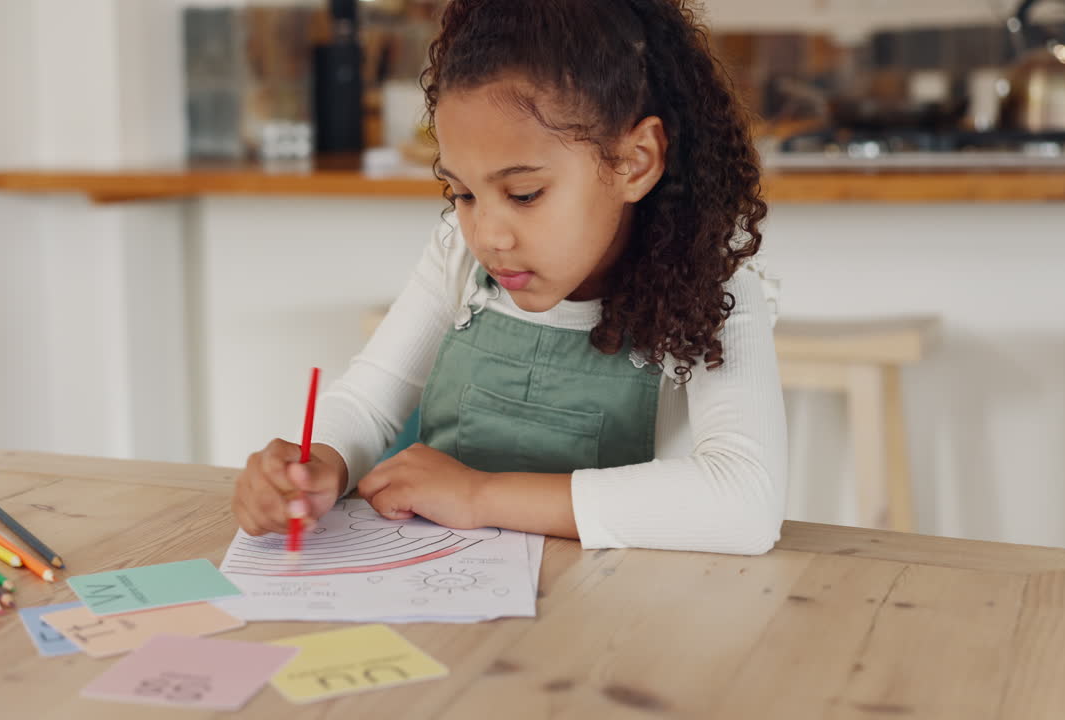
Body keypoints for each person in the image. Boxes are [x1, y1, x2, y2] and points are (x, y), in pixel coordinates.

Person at [232, 0, 786, 554]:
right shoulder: (457, 254)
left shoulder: (714, 281)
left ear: (634, 162)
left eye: (524, 194)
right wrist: (318, 463)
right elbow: (367, 404)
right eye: (464, 194)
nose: (488, 236)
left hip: (618, 615)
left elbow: (745, 500)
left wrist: (481, 495)